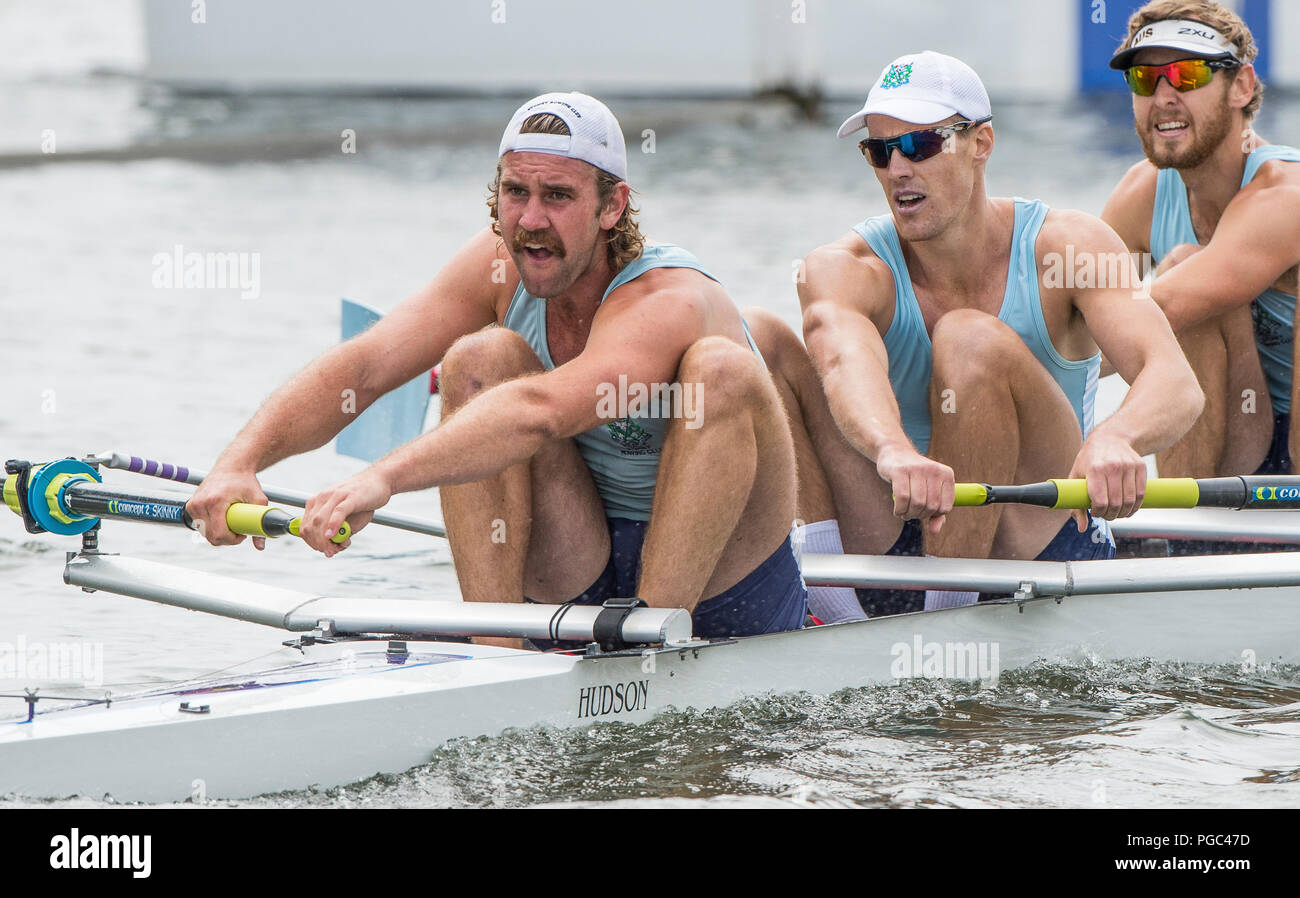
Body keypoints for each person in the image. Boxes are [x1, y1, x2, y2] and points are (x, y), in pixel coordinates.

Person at [187, 91, 808, 645]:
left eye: (559, 196)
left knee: (721, 369)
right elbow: (367, 365)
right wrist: (238, 464)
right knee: (480, 359)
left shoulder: (667, 299)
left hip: (727, 577)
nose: (531, 220)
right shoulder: (497, 267)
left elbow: (541, 414)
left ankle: (653, 645)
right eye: (516, 192)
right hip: (584, 555)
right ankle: (497, 651)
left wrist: (381, 479)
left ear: (612, 207)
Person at [796, 51, 1203, 615]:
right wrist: (891, 451)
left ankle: (939, 622)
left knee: (968, 338)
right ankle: (832, 611)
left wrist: (1118, 438)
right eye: (880, 151)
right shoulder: (845, 267)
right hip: (897, 530)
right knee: (764, 341)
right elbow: (841, 363)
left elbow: (1175, 381)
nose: (897, 170)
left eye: (920, 144)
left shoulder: (1070, 246)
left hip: (1035, 536)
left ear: (981, 144)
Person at [1101, 0, 1300, 479]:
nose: (1164, 96)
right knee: (1177, 278)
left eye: (1187, 75)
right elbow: (1078, 323)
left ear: (1242, 86)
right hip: (1242, 432)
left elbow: (1156, 309)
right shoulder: (1141, 191)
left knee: (1177, 283)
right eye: (1145, 80)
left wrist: (1114, 432)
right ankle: (1186, 541)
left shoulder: (1285, 193)